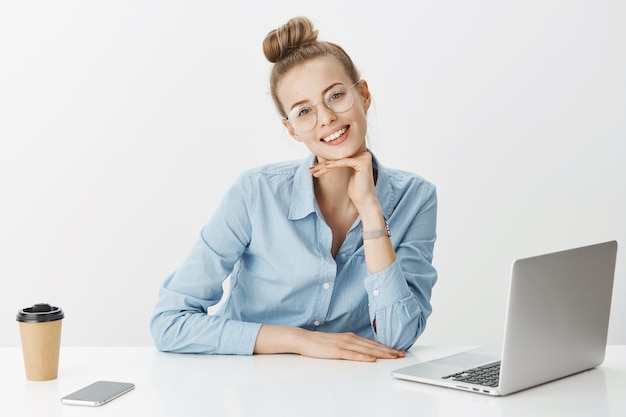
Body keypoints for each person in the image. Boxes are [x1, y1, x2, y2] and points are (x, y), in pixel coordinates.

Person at [150, 16, 437, 362]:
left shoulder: (415, 198)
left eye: (335, 95)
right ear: (291, 129)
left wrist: (371, 212)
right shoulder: (255, 194)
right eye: (304, 111)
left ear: (363, 94)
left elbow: (398, 336)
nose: (327, 118)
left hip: (354, 393)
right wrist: (300, 341)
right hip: (248, 391)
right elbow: (169, 323)